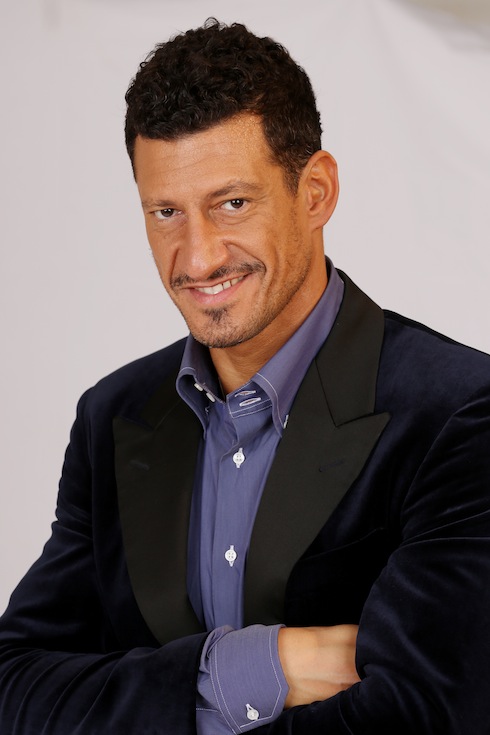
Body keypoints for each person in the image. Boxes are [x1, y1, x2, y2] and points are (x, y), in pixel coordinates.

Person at [1, 17, 490, 735]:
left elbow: (429, 715)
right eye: (166, 212)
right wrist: (254, 666)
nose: (198, 257)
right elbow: (15, 686)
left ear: (315, 191)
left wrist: (145, 704)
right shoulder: (113, 417)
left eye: (232, 203)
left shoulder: (459, 413)